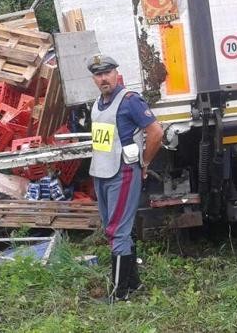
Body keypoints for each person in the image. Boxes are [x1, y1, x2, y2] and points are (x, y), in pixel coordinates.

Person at [86, 54, 163, 302]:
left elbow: (155, 133)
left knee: (118, 231)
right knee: (118, 230)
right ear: (94, 78)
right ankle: (134, 284)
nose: (103, 78)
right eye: (98, 74)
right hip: (101, 173)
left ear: (116, 74)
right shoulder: (97, 104)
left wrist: (145, 162)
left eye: (107, 73)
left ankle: (119, 294)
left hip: (123, 173)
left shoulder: (130, 101)